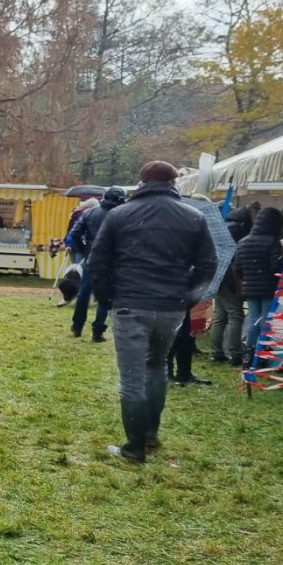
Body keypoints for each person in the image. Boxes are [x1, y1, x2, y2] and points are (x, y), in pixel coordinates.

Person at [86, 160, 216, 463]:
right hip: (170, 306)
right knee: (157, 367)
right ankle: (149, 434)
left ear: (141, 183)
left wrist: (107, 298)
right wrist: (188, 297)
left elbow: (97, 261)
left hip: (130, 302)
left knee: (132, 377)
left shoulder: (120, 214)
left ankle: (133, 448)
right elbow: (208, 264)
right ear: (174, 183)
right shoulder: (194, 216)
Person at [233, 206, 283, 367]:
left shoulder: (243, 242)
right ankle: (262, 354)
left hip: (250, 287)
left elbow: (238, 267)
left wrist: (249, 278)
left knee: (253, 320)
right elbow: (276, 267)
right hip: (269, 288)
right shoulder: (273, 242)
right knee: (266, 321)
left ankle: (249, 354)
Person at [70, 187, 125, 340]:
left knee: (84, 291)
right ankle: (98, 330)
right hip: (112, 259)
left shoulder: (89, 213)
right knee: (106, 295)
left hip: (92, 256)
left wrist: (84, 249)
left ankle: (77, 326)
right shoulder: (122, 215)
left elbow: (75, 233)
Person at [209, 207, 251, 366]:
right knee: (235, 314)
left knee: (220, 315)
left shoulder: (223, 227)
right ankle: (235, 353)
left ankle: (217, 352)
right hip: (230, 278)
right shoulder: (238, 231)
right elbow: (236, 258)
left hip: (217, 275)